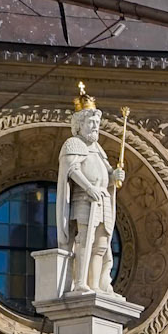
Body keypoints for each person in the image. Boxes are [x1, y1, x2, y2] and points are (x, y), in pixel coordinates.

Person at [55, 88, 124, 296]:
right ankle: (80, 282)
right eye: (91, 122)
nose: (95, 127)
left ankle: (96, 285)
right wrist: (89, 187)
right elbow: (72, 170)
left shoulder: (99, 149)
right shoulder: (73, 144)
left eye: (97, 123)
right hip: (84, 199)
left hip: (102, 200)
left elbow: (106, 173)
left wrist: (115, 176)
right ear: (79, 124)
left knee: (102, 244)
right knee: (85, 239)